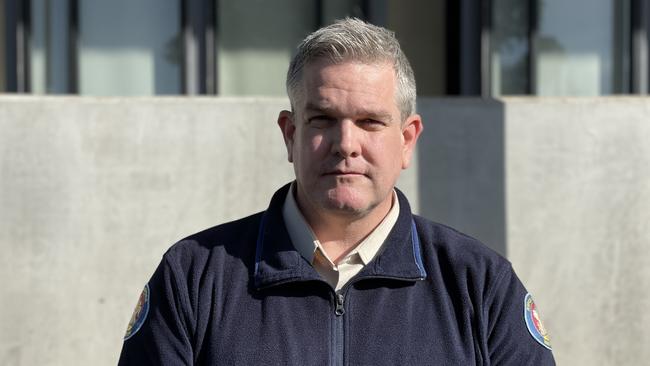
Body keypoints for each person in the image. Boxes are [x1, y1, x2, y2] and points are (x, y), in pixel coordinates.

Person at [118, 18, 555, 365]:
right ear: (290, 134)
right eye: (323, 120)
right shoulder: (194, 278)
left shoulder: (478, 284)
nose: (346, 144)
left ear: (406, 139)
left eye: (369, 122)